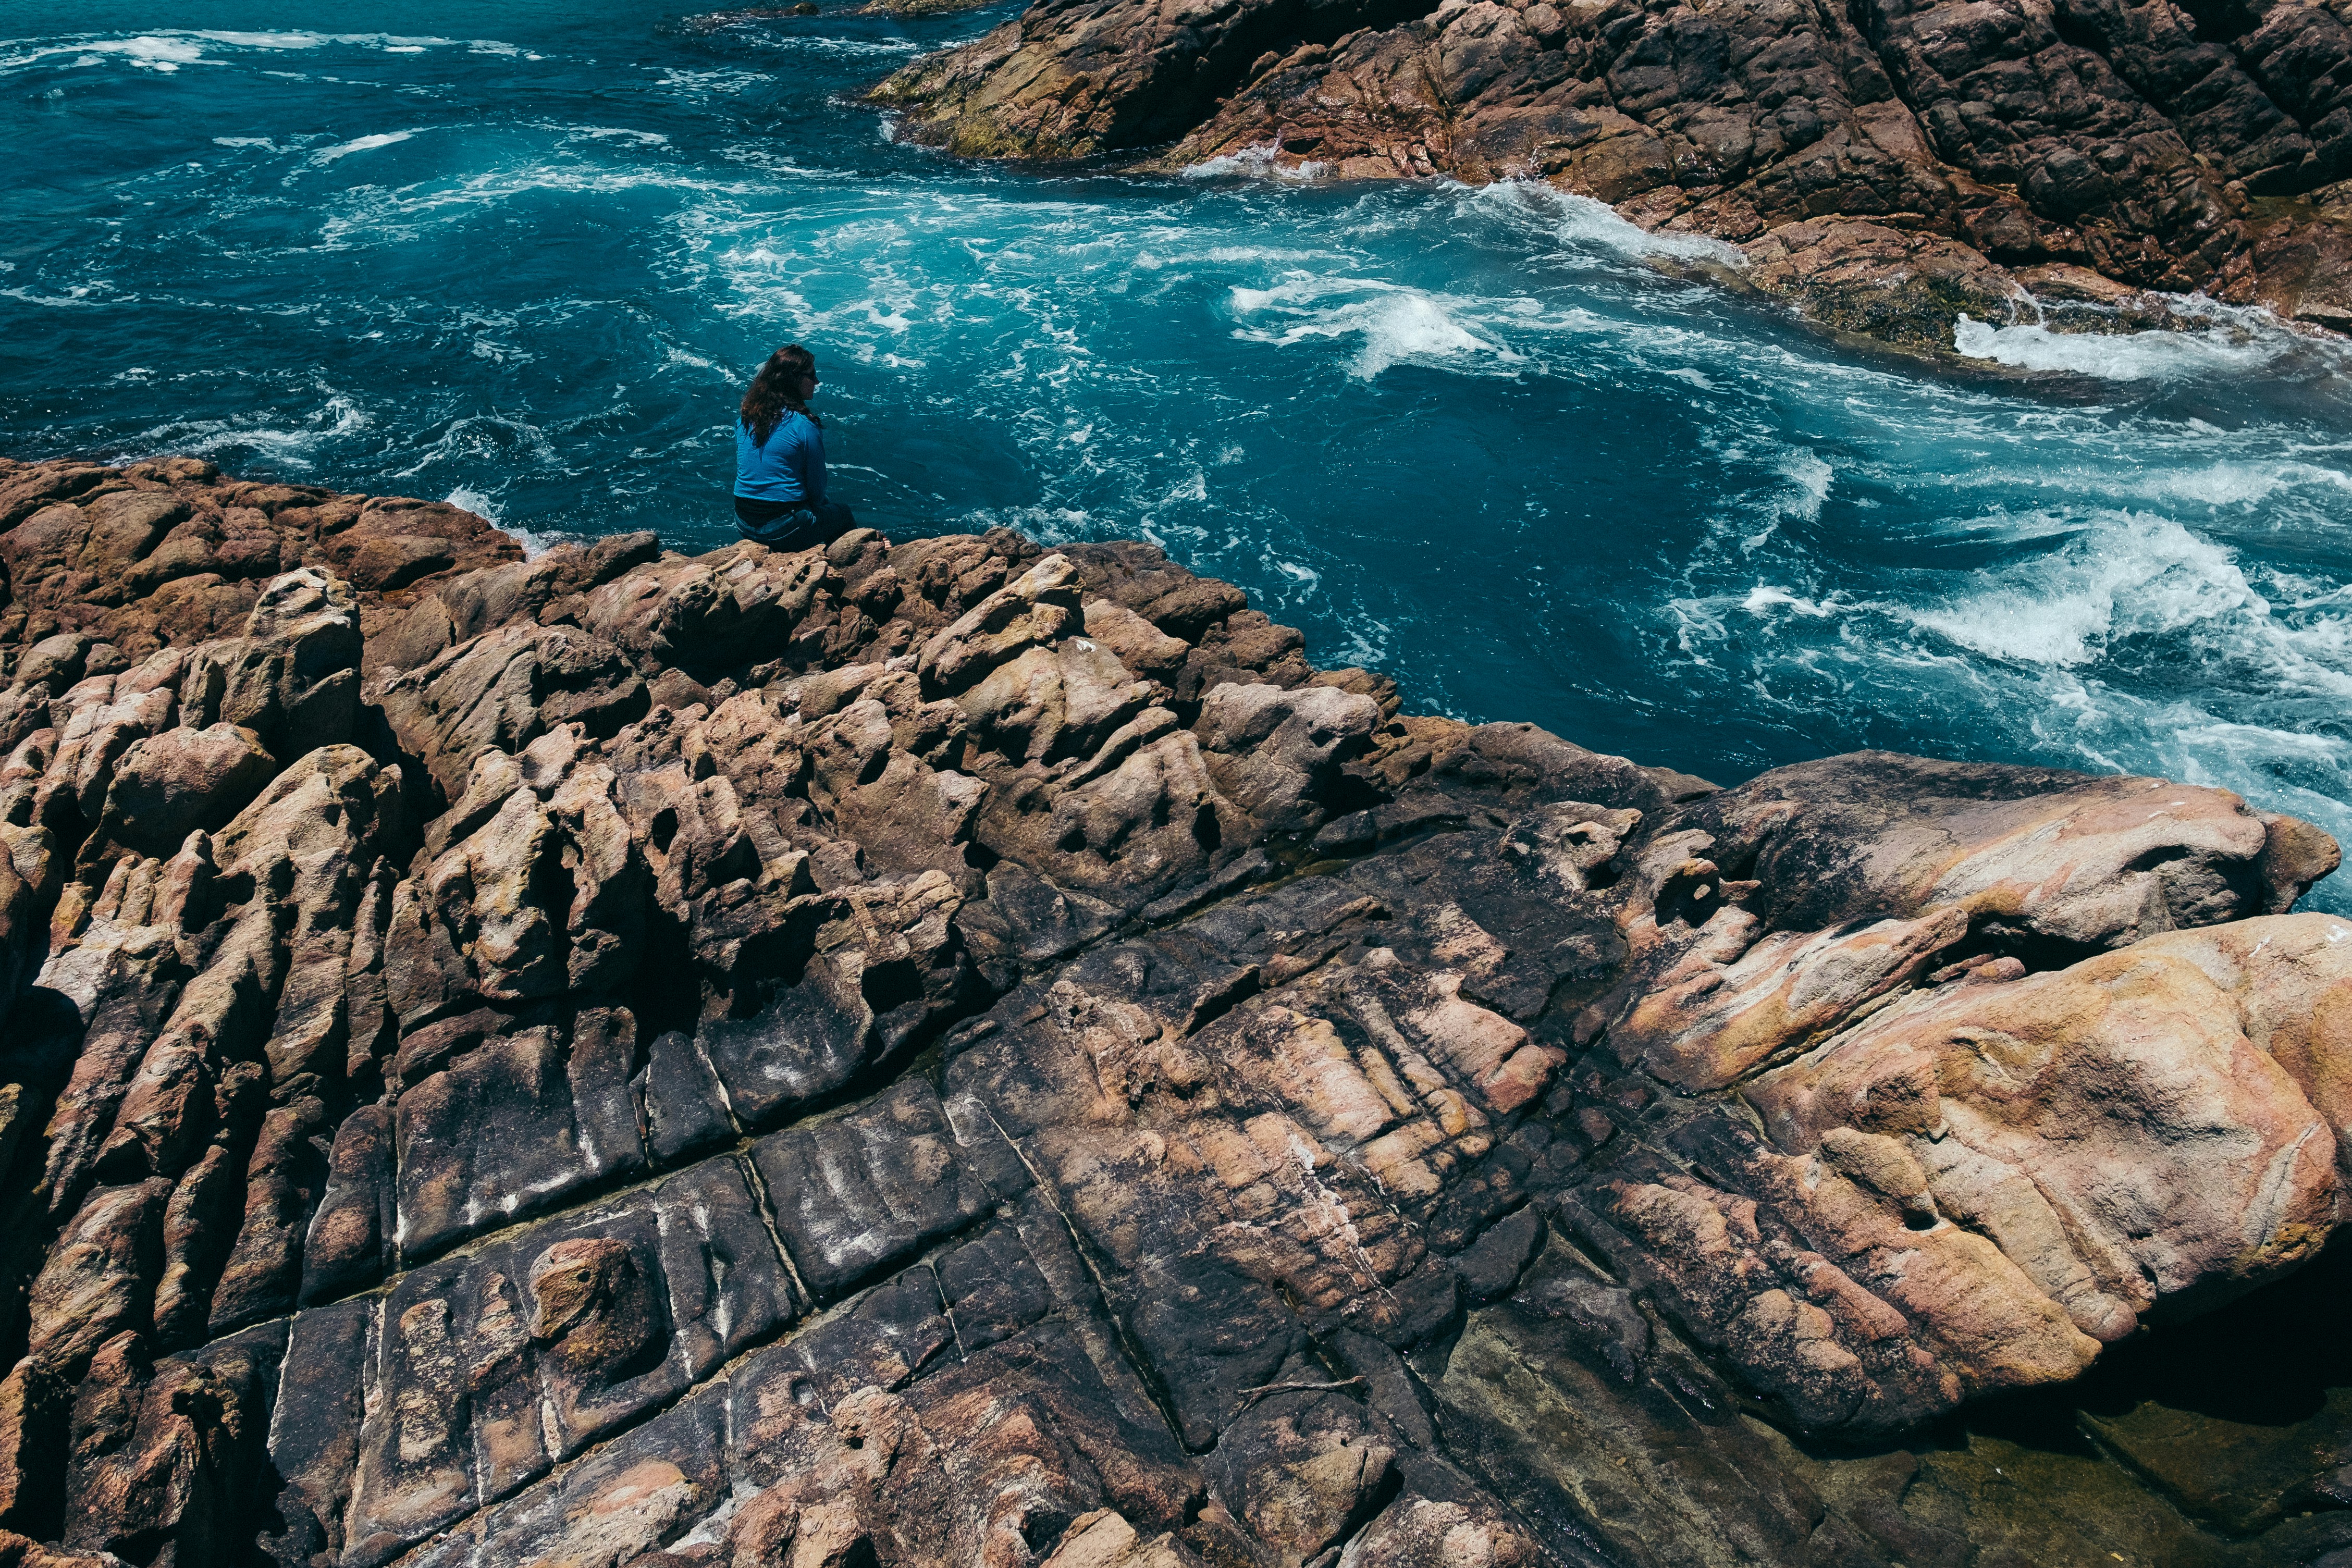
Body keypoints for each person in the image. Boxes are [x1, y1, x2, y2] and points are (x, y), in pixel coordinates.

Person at [733, 342, 856, 549]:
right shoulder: (804, 426)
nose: (817, 381)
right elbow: (816, 491)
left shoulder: (745, 420)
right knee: (842, 513)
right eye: (812, 375)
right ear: (795, 380)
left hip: (743, 522)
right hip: (783, 528)